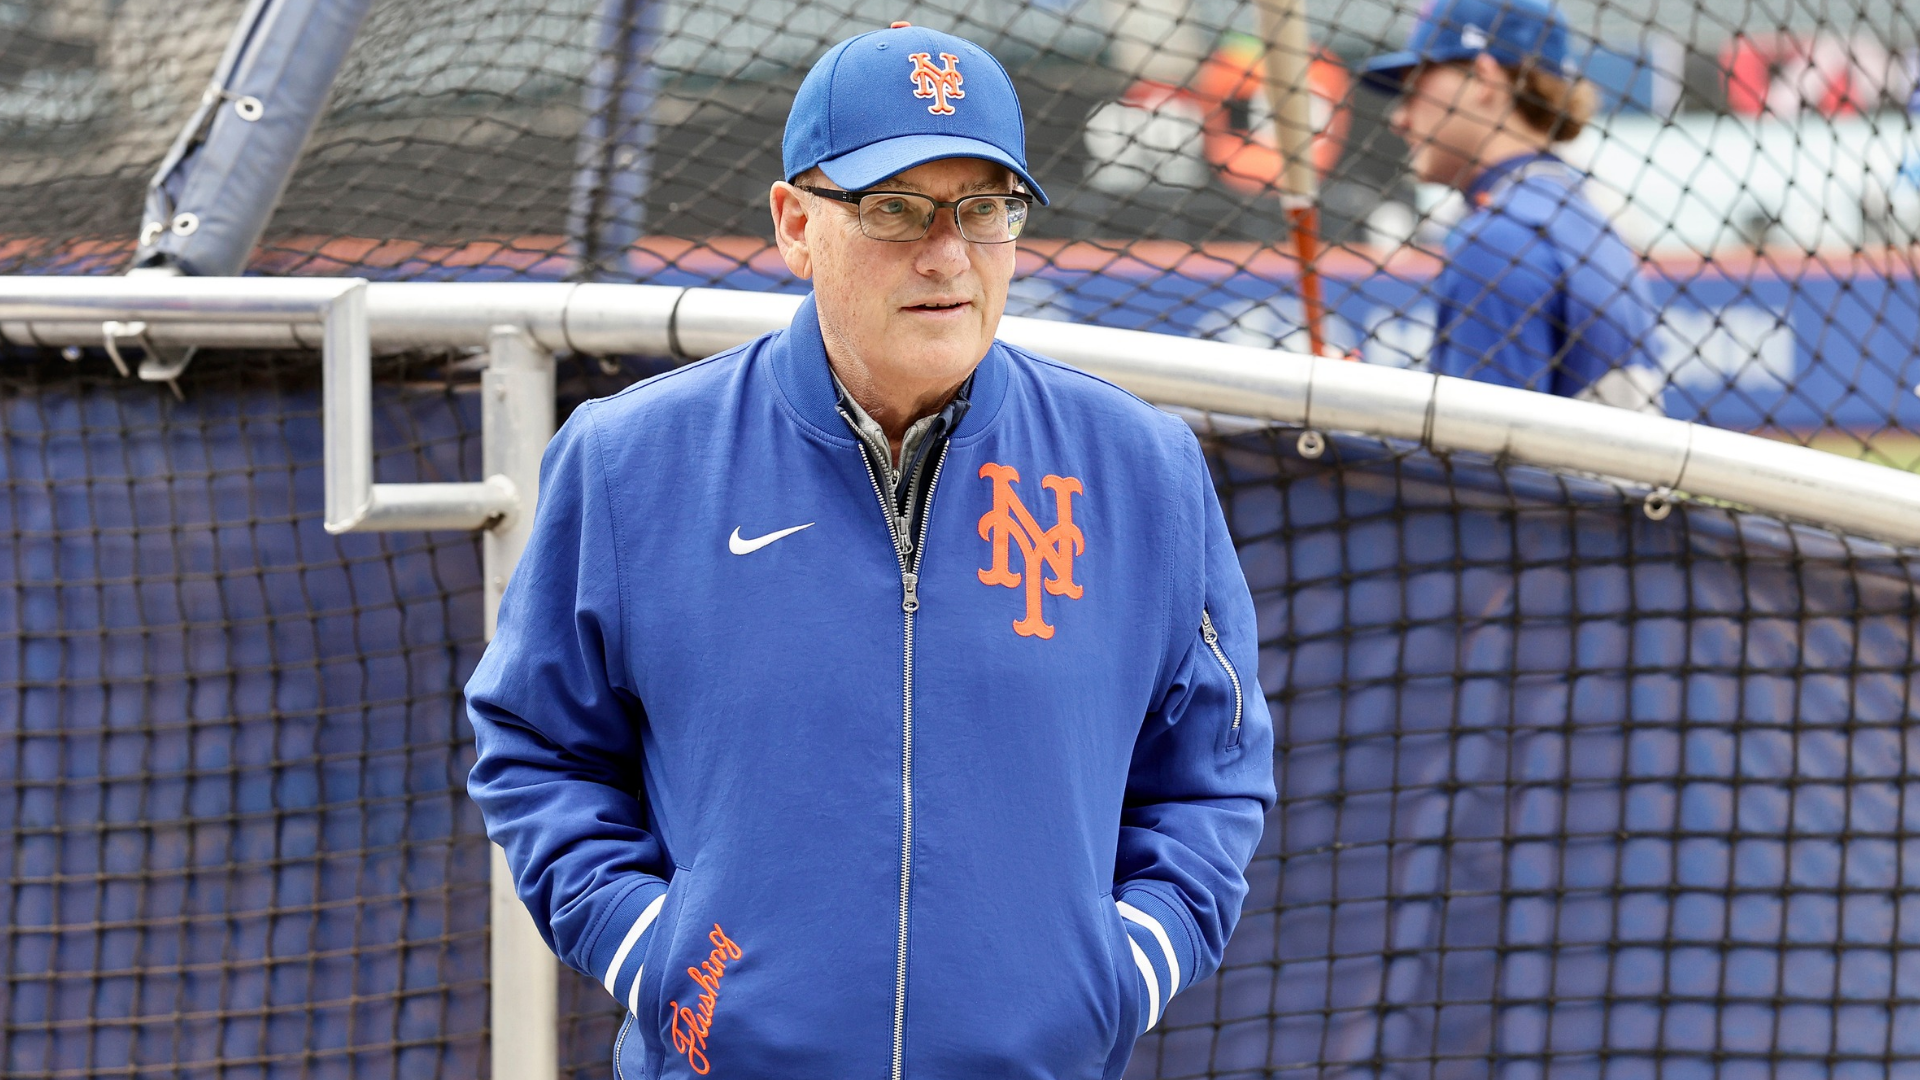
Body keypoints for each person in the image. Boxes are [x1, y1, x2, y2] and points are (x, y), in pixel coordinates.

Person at [464, 21, 1275, 1080]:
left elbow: (1209, 780)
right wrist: (656, 956)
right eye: (894, 207)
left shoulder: (1141, 469)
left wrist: (1120, 974)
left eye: (983, 207)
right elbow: (536, 749)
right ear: (797, 226)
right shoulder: (632, 460)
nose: (947, 252)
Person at [1362, 0, 1666, 411]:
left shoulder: (1502, 238)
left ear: (1483, 78)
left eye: (1416, 85)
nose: (1399, 118)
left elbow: (1478, 466)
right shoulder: (1581, 216)